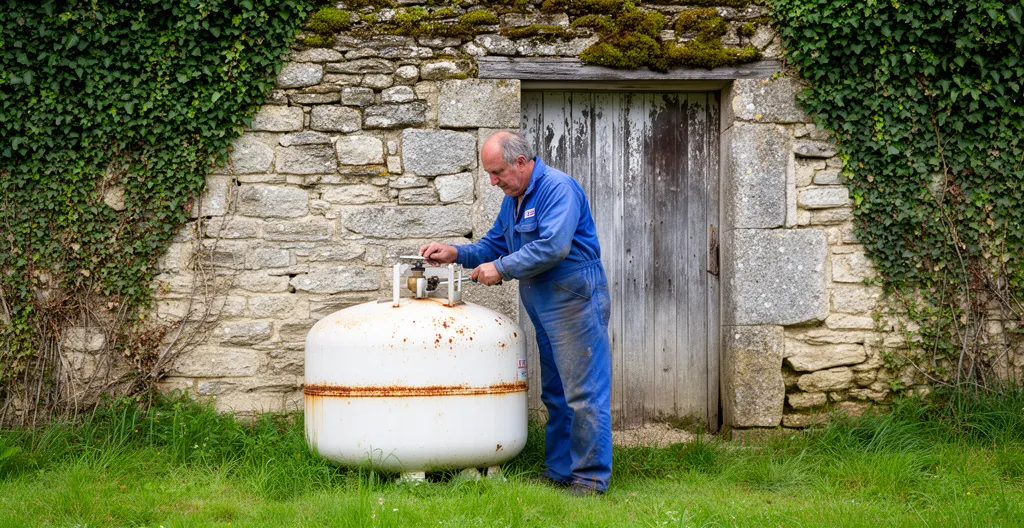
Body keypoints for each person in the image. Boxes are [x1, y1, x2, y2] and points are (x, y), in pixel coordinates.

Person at [419, 131, 612, 496]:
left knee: (583, 392)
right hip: (542, 299)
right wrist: (455, 252)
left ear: (521, 163)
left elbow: (554, 246)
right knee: (555, 392)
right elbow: (493, 244)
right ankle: (559, 472)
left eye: (498, 172)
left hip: (573, 297)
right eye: (490, 174)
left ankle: (590, 479)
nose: (493, 181)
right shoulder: (514, 199)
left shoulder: (558, 188)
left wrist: (502, 268)